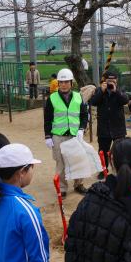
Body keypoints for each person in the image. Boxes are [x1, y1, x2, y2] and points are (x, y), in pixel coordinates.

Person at [44, 68, 88, 196]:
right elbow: (47, 119)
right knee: (61, 163)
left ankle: (78, 184)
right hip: (58, 136)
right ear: (58, 83)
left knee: (77, 160)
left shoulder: (78, 97)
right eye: (61, 82)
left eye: (66, 82)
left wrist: (81, 129)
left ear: (71, 83)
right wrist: (48, 136)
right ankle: (62, 188)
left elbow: (84, 115)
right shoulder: (52, 98)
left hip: (75, 135)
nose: (63, 85)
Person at [89, 71, 129, 173]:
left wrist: (116, 91)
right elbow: (93, 102)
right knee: (103, 151)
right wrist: (101, 91)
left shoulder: (121, 89)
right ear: (104, 81)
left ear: (117, 80)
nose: (111, 82)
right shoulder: (99, 90)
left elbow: (125, 100)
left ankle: (119, 170)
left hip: (118, 127)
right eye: (109, 80)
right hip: (104, 127)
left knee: (120, 151)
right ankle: (103, 170)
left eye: (113, 80)